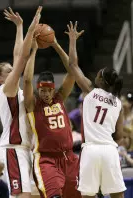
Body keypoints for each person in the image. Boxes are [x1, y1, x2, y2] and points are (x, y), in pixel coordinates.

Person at [0, 6, 42, 198]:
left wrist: (19, 27)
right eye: (9, 71)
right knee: (22, 196)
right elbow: (22, 57)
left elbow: (18, 55)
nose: (13, 71)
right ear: (1, 79)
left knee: (25, 195)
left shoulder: (15, 90)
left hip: (23, 149)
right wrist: (30, 29)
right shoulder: (6, 89)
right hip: (12, 149)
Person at [65, 21, 126, 198]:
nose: (96, 74)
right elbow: (119, 136)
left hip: (90, 150)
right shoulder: (118, 102)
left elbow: (72, 65)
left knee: (88, 195)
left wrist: (72, 40)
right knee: (117, 195)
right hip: (109, 150)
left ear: (101, 80)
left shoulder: (90, 91)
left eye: (98, 73)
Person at [23, 31, 82, 197]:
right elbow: (27, 80)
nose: (46, 94)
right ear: (38, 89)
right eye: (42, 90)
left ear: (53, 89)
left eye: (49, 90)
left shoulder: (60, 97)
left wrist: (55, 44)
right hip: (47, 160)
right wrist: (34, 51)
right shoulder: (33, 104)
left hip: (70, 158)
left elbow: (72, 71)